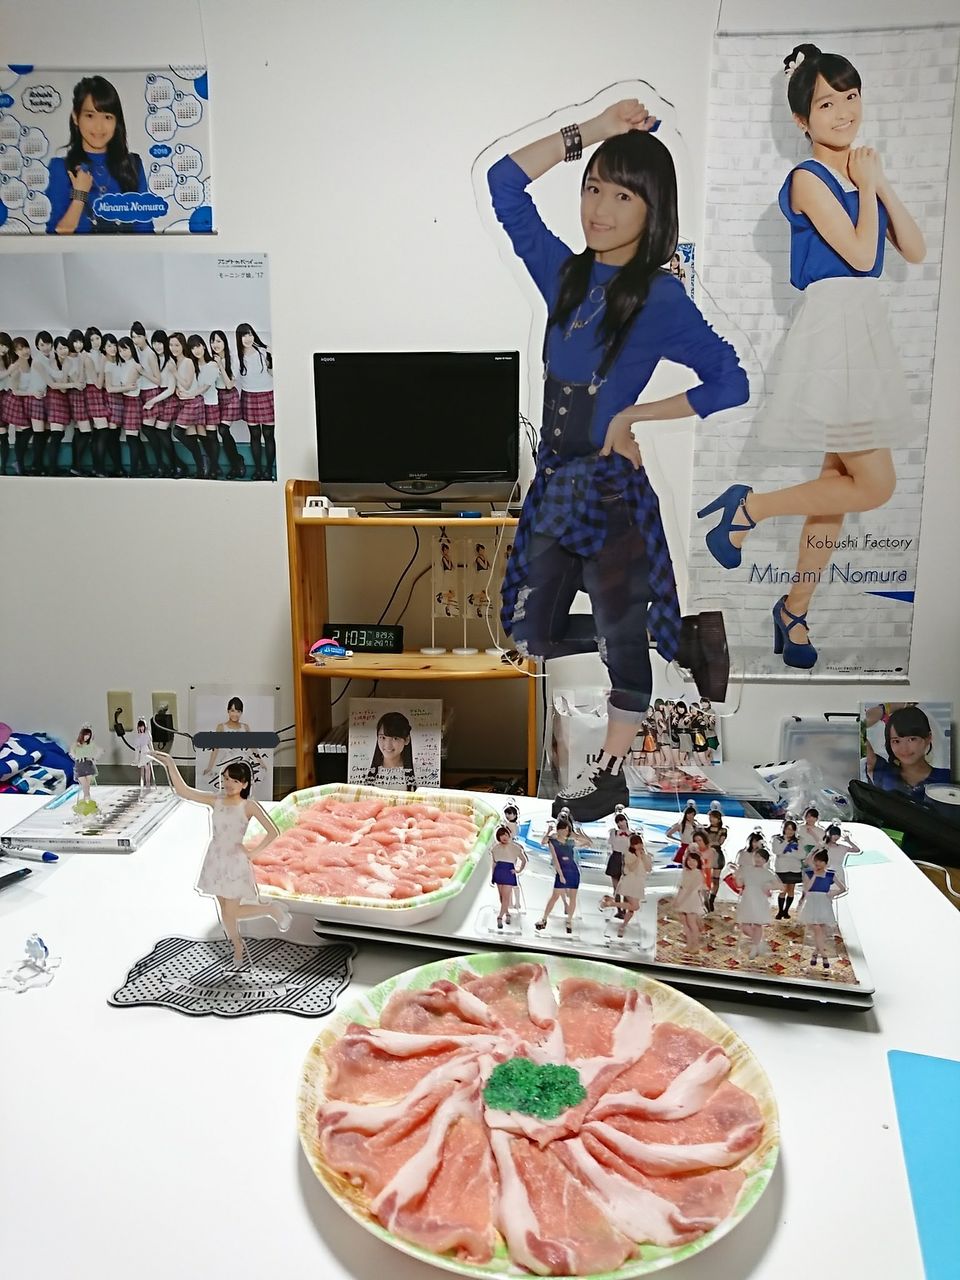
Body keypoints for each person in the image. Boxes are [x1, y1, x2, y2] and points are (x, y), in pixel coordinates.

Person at [486, 96, 749, 821]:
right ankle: (676, 635)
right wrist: (594, 131)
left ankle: (608, 771)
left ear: (653, 209)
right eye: (594, 188)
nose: (600, 209)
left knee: (623, 649)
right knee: (527, 633)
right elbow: (504, 185)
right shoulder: (565, 275)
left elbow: (730, 381)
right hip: (556, 485)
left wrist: (636, 415)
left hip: (609, 492)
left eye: (623, 196)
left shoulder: (660, 299)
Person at [698, 44, 925, 670]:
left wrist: (878, 182)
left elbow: (913, 249)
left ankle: (794, 611)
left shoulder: (860, 175)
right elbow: (860, 253)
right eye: (827, 103)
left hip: (863, 328)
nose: (844, 111)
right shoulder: (807, 179)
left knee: (838, 489)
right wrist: (868, 187)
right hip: (834, 330)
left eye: (851, 97)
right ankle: (748, 508)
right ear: (802, 119)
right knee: (875, 484)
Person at [150, 753, 291, 969]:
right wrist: (169, 762)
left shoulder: (248, 806)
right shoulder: (215, 800)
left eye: (234, 780)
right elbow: (184, 791)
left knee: (232, 911)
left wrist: (253, 853)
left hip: (235, 862)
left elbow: (273, 831)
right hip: (215, 860)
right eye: (226, 779)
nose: (228, 784)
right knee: (225, 911)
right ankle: (237, 946)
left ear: (244, 784)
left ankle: (270, 909)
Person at [46, 75, 154, 234]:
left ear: (116, 122)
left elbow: (145, 230)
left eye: (107, 117)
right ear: (76, 117)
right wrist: (79, 195)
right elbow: (56, 236)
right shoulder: (61, 168)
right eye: (90, 116)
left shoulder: (132, 165)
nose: (99, 127)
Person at [864, 704, 951, 800]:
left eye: (912, 739)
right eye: (896, 741)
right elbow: (859, 725)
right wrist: (890, 706)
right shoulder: (883, 772)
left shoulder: (946, 778)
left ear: (928, 738)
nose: (904, 749)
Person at [536, 814, 591, 934]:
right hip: (562, 870)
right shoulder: (553, 841)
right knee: (555, 896)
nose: (564, 832)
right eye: (562, 829)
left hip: (573, 870)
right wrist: (560, 874)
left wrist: (577, 833)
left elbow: (588, 843)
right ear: (558, 829)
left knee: (573, 897)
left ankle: (569, 921)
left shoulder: (571, 841)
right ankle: (544, 918)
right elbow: (555, 858)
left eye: (566, 830)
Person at [236, 323, 274, 481]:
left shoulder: (263, 352)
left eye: (250, 334)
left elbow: (273, 372)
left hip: (267, 394)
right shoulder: (237, 356)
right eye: (244, 335)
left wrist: (272, 356)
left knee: (269, 435)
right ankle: (258, 470)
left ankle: (268, 470)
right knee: (255, 435)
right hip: (249, 396)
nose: (247, 338)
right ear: (239, 338)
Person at [798, 849, 846, 970]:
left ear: (825, 863)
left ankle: (815, 953)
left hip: (824, 902)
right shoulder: (809, 873)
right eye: (816, 861)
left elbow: (843, 888)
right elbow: (806, 889)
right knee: (817, 929)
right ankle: (824, 956)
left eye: (820, 862)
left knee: (822, 931)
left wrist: (832, 894)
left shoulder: (830, 875)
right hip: (812, 902)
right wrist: (814, 875)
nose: (818, 864)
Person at [734, 836, 781, 958]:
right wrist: (737, 875)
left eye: (761, 858)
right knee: (745, 925)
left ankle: (755, 947)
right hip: (748, 898)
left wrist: (768, 886)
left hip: (760, 899)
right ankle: (759, 943)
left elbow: (780, 886)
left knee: (758, 924)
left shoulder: (768, 873)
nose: (758, 860)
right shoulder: (747, 870)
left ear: (765, 860)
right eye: (757, 857)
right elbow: (739, 884)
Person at [169, 332, 206, 478]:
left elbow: (187, 384)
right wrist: (177, 390)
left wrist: (174, 373)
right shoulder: (175, 362)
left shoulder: (188, 362)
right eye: (171, 345)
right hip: (183, 402)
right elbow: (179, 385)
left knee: (177, 432)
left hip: (192, 402)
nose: (174, 348)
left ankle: (203, 461)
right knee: (191, 436)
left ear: (182, 346)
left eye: (177, 345)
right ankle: (201, 469)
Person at [210, 329, 246, 479]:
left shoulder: (233, 359)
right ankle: (235, 462)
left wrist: (220, 365)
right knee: (220, 432)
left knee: (223, 430)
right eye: (213, 341)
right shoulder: (211, 361)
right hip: (217, 397)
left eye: (218, 341)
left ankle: (237, 462)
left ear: (224, 342)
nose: (215, 344)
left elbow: (230, 384)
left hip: (230, 396)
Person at [190, 334, 223, 479]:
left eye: (198, 346)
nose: (196, 350)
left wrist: (189, 394)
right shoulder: (192, 365)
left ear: (203, 346)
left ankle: (214, 468)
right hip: (198, 405)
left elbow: (206, 386)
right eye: (192, 348)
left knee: (211, 436)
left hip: (210, 403)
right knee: (202, 437)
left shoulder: (212, 364)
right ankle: (212, 466)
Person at [613, 830, 653, 938]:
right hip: (629, 882)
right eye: (635, 844)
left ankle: (623, 926)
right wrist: (638, 857)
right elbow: (631, 868)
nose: (638, 845)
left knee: (632, 909)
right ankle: (611, 904)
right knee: (635, 906)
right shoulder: (628, 854)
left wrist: (644, 857)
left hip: (639, 883)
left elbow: (648, 869)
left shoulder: (646, 855)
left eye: (639, 843)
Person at [363, 711, 417, 791]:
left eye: (395, 738)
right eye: (383, 737)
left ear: (407, 740)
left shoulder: (418, 773)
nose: (388, 745)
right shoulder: (365, 770)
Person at [490, 823, 528, 930]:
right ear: (498, 837)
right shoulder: (495, 848)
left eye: (505, 835)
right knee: (502, 897)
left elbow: (524, 860)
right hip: (498, 872)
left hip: (509, 873)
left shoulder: (515, 847)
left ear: (509, 835)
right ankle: (507, 914)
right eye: (501, 835)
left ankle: (499, 917)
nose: (504, 837)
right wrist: (492, 876)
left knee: (506, 896)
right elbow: (493, 863)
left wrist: (518, 870)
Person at [206, 697, 252, 779]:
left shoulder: (245, 727)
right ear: (228, 711)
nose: (235, 714)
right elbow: (215, 749)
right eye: (232, 710)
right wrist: (209, 767)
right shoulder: (221, 727)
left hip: (243, 762)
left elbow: (253, 747)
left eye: (238, 711)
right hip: (227, 762)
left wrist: (261, 762)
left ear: (241, 712)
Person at [671, 848, 706, 950]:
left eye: (694, 860)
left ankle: (695, 945)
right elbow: (681, 887)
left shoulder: (698, 874)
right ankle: (689, 944)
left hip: (692, 899)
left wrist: (681, 900)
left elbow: (691, 890)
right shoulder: (685, 872)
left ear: (698, 862)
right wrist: (677, 899)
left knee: (691, 923)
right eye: (689, 860)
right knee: (685, 923)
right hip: (682, 897)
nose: (691, 862)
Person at [772, 817, 803, 918]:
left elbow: (802, 854)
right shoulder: (777, 839)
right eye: (788, 829)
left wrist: (790, 853)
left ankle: (786, 911)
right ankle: (780, 911)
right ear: (784, 829)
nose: (790, 831)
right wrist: (786, 843)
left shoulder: (798, 841)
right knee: (783, 889)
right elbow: (777, 851)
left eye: (792, 829)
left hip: (794, 868)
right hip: (782, 868)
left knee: (791, 890)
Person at [69, 724, 100, 815]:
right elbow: (71, 753)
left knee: (88, 783)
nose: (87, 737)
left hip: (88, 764)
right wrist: (77, 757)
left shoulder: (91, 745)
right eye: (86, 735)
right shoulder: (76, 745)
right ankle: (86, 798)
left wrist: (92, 758)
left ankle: (87, 798)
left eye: (89, 735)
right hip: (80, 765)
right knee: (84, 783)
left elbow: (95, 753)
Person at [605, 805, 632, 905]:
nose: (620, 823)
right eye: (618, 822)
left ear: (626, 821)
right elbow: (610, 844)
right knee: (616, 887)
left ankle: (625, 908)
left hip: (627, 859)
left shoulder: (632, 834)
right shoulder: (614, 832)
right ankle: (618, 908)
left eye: (622, 820)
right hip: (615, 858)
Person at [704, 803, 727, 911]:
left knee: (715, 880)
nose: (711, 819)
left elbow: (720, 842)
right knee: (706, 879)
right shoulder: (705, 830)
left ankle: (711, 900)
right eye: (710, 817)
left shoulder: (723, 830)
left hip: (717, 855)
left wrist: (709, 843)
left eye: (714, 817)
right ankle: (705, 899)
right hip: (707, 855)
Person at [133, 717, 153, 789]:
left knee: (147, 768)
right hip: (141, 753)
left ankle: (148, 783)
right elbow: (137, 748)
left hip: (147, 752)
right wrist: (136, 757)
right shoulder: (138, 737)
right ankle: (142, 783)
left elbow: (150, 744)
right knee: (142, 768)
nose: (141, 728)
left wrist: (152, 752)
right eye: (140, 726)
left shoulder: (147, 735)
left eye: (142, 726)